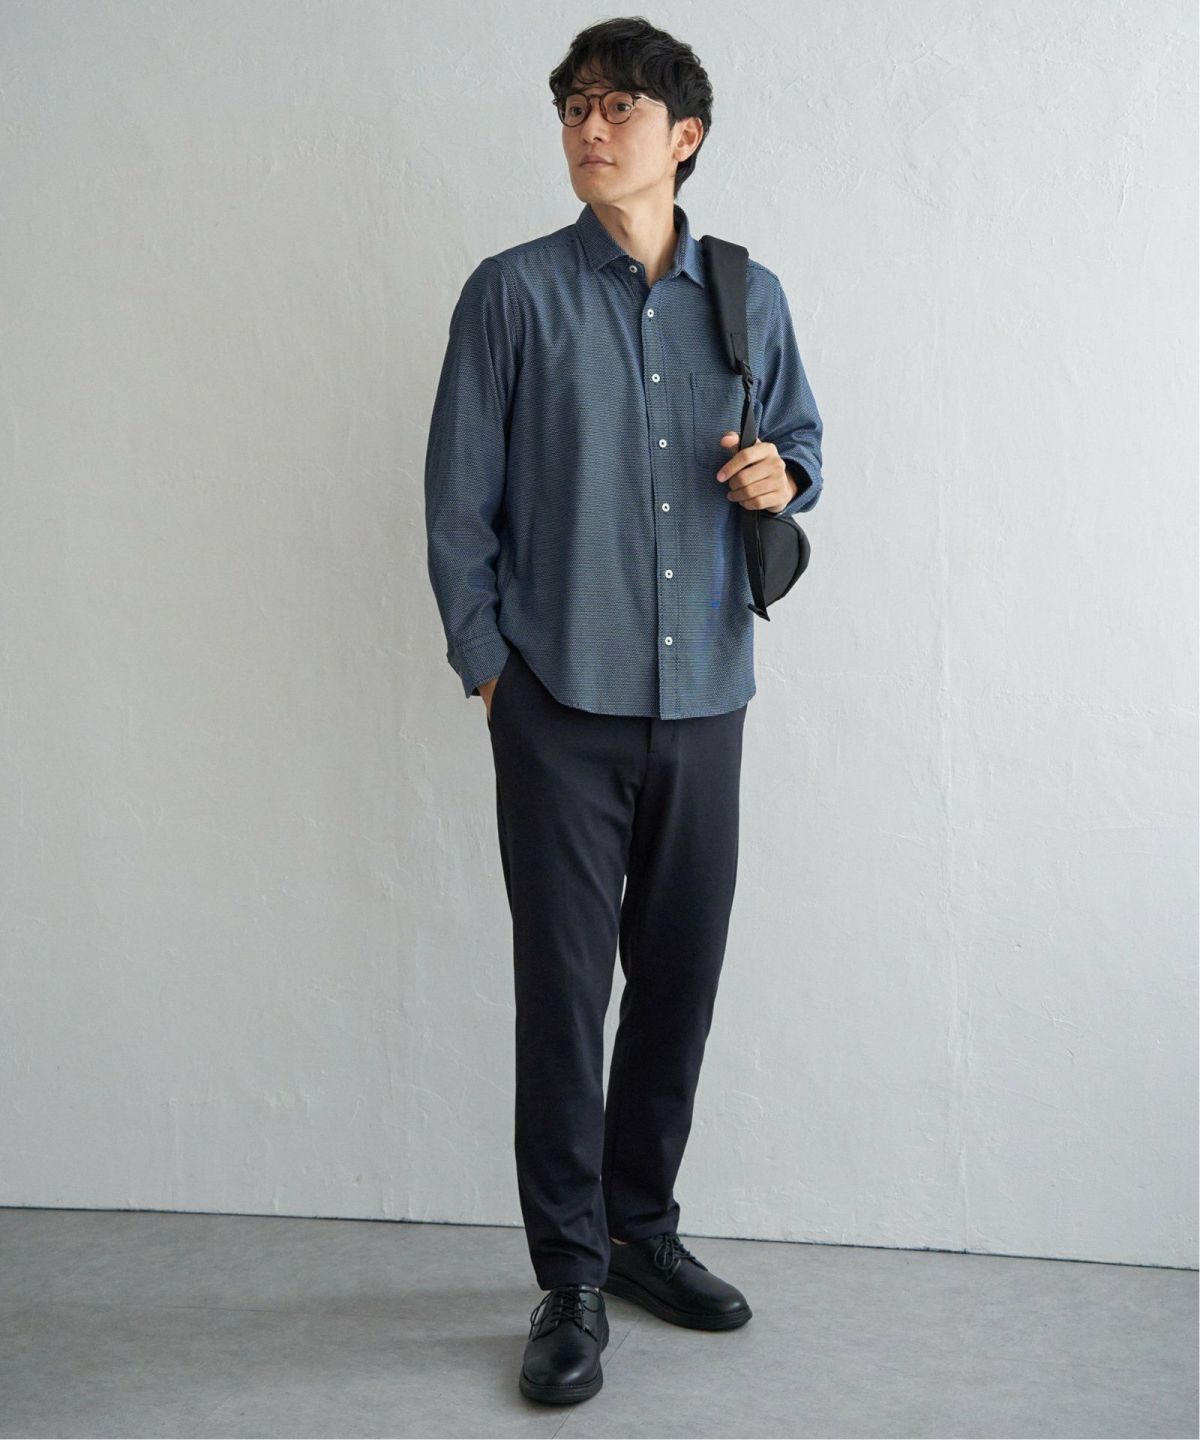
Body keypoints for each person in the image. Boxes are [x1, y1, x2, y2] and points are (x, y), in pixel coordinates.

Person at [423, 16, 825, 1406]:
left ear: (684, 135)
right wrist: (493, 673)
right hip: (559, 700)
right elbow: (457, 502)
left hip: (707, 692)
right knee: (562, 994)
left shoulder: (747, 296)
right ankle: (571, 1277)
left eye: (621, 108)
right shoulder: (512, 294)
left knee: (679, 979)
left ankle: (643, 1234)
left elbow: (803, 445)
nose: (591, 130)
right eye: (575, 107)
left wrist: (782, 477)